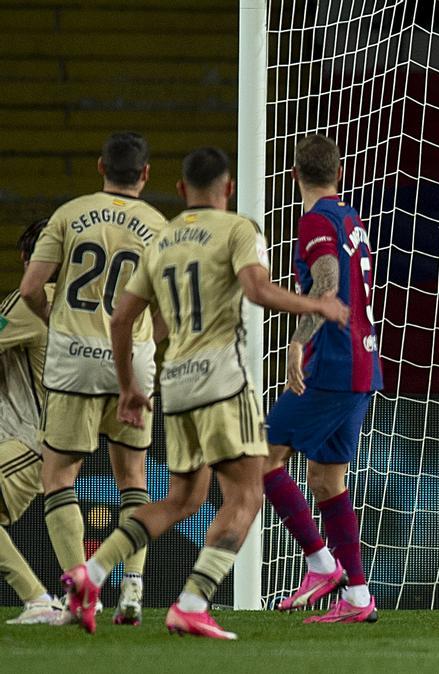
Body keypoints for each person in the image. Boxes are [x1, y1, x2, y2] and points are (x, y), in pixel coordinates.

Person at [61, 147, 349, 638]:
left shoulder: (163, 239)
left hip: (174, 384)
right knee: (248, 491)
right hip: (221, 382)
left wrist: (129, 386)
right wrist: (315, 305)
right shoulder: (238, 229)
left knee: (182, 500)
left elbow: (123, 318)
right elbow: (257, 291)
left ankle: (90, 573)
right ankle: (192, 601)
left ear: (179, 190)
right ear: (229, 188)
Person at [18, 132, 166, 625]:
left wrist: (54, 323)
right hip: (134, 363)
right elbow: (174, 310)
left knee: (59, 478)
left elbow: (31, 288)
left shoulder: (69, 214)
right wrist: (149, 341)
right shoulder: (159, 227)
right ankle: (133, 588)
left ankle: (83, 592)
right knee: (134, 480)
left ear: (100, 166)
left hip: (75, 362)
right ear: (145, 174)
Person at [261, 134, 382, 623]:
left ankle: (320, 562)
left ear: (293, 175)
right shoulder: (351, 218)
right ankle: (357, 595)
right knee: (326, 478)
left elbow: (328, 282)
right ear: (339, 173)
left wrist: (296, 341)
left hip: (332, 364)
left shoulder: (315, 220)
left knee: (260, 455)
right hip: (363, 362)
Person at [0, 219, 65, 624]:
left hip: (28, 440)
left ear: (29, 261)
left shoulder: (28, 302)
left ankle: (39, 599)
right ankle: (42, 599)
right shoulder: (81, 307)